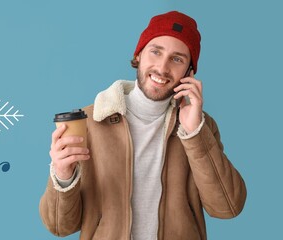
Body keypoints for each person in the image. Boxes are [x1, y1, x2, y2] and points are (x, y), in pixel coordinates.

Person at [39, 11, 246, 240]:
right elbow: (60, 226)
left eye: (177, 59)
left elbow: (227, 207)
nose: (162, 67)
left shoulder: (200, 127)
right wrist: (63, 175)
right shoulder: (91, 121)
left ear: (189, 73)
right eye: (155, 52)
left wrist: (195, 134)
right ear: (138, 55)